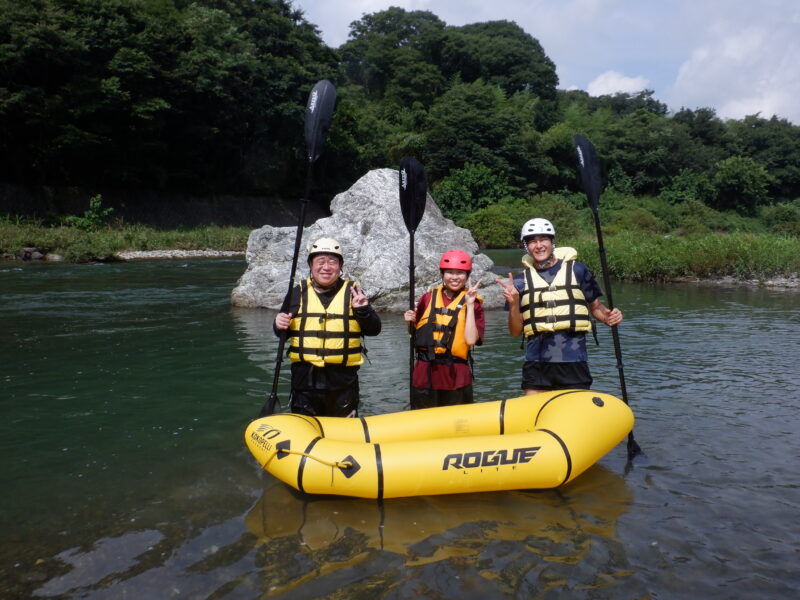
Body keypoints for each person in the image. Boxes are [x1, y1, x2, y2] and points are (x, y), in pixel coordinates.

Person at [496, 218, 622, 394]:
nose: (538, 246)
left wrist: (608, 317)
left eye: (543, 240)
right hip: (536, 362)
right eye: (532, 241)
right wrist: (514, 303)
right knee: (535, 417)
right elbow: (516, 331)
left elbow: (595, 307)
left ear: (552, 242)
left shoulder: (578, 270)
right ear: (526, 246)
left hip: (573, 360)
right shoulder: (518, 282)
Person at [274, 237, 381, 417]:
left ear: (340, 266)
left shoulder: (354, 292)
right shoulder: (297, 292)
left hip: (343, 382)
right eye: (320, 262)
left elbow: (374, 330)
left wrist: (363, 311)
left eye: (332, 262)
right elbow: (282, 333)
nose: (326, 267)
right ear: (310, 265)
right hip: (305, 382)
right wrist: (278, 325)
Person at [403, 249, 484, 409]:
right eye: (450, 272)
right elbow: (417, 333)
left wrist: (469, 304)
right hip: (424, 375)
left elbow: (470, 340)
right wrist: (409, 321)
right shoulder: (427, 298)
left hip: (456, 376)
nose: (454, 277)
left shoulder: (474, 305)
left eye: (460, 273)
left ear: (467, 276)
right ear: (442, 275)